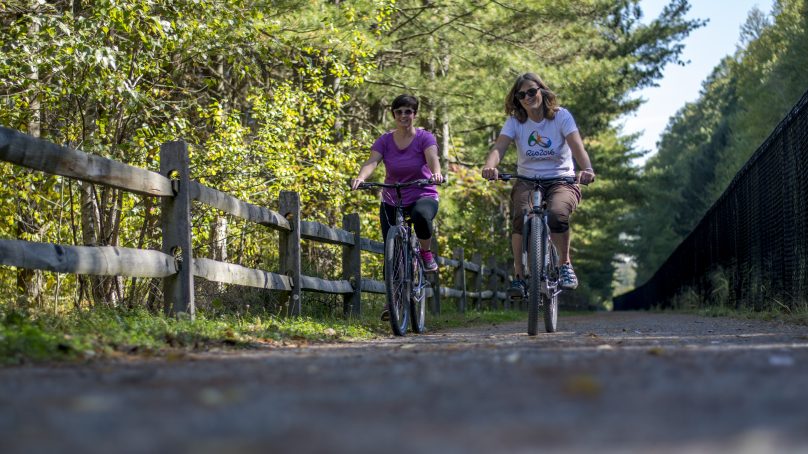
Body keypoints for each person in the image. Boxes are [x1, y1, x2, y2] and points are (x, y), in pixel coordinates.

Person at [481, 73, 595, 297]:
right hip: (528, 180)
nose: (527, 97)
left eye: (532, 91)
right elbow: (500, 147)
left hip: (562, 180)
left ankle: (564, 265)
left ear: (542, 91)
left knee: (556, 214)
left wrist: (587, 169)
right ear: (517, 99)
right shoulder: (516, 121)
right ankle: (519, 276)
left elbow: (577, 147)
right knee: (520, 216)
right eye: (521, 94)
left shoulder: (561, 117)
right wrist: (490, 166)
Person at [351, 94, 444, 275]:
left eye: (408, 111)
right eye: (399, 111)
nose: (403, 115)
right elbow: (372, 161)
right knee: (391, 250)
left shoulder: (425, 138)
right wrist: (361, 177)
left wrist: (436, 173)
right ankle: (393, 301)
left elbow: (432, 157)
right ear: (393, 114)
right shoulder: (385, 140)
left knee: (421, 216)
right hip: (392, 198)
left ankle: (425, 253)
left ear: (414, 114)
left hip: (422, 194)